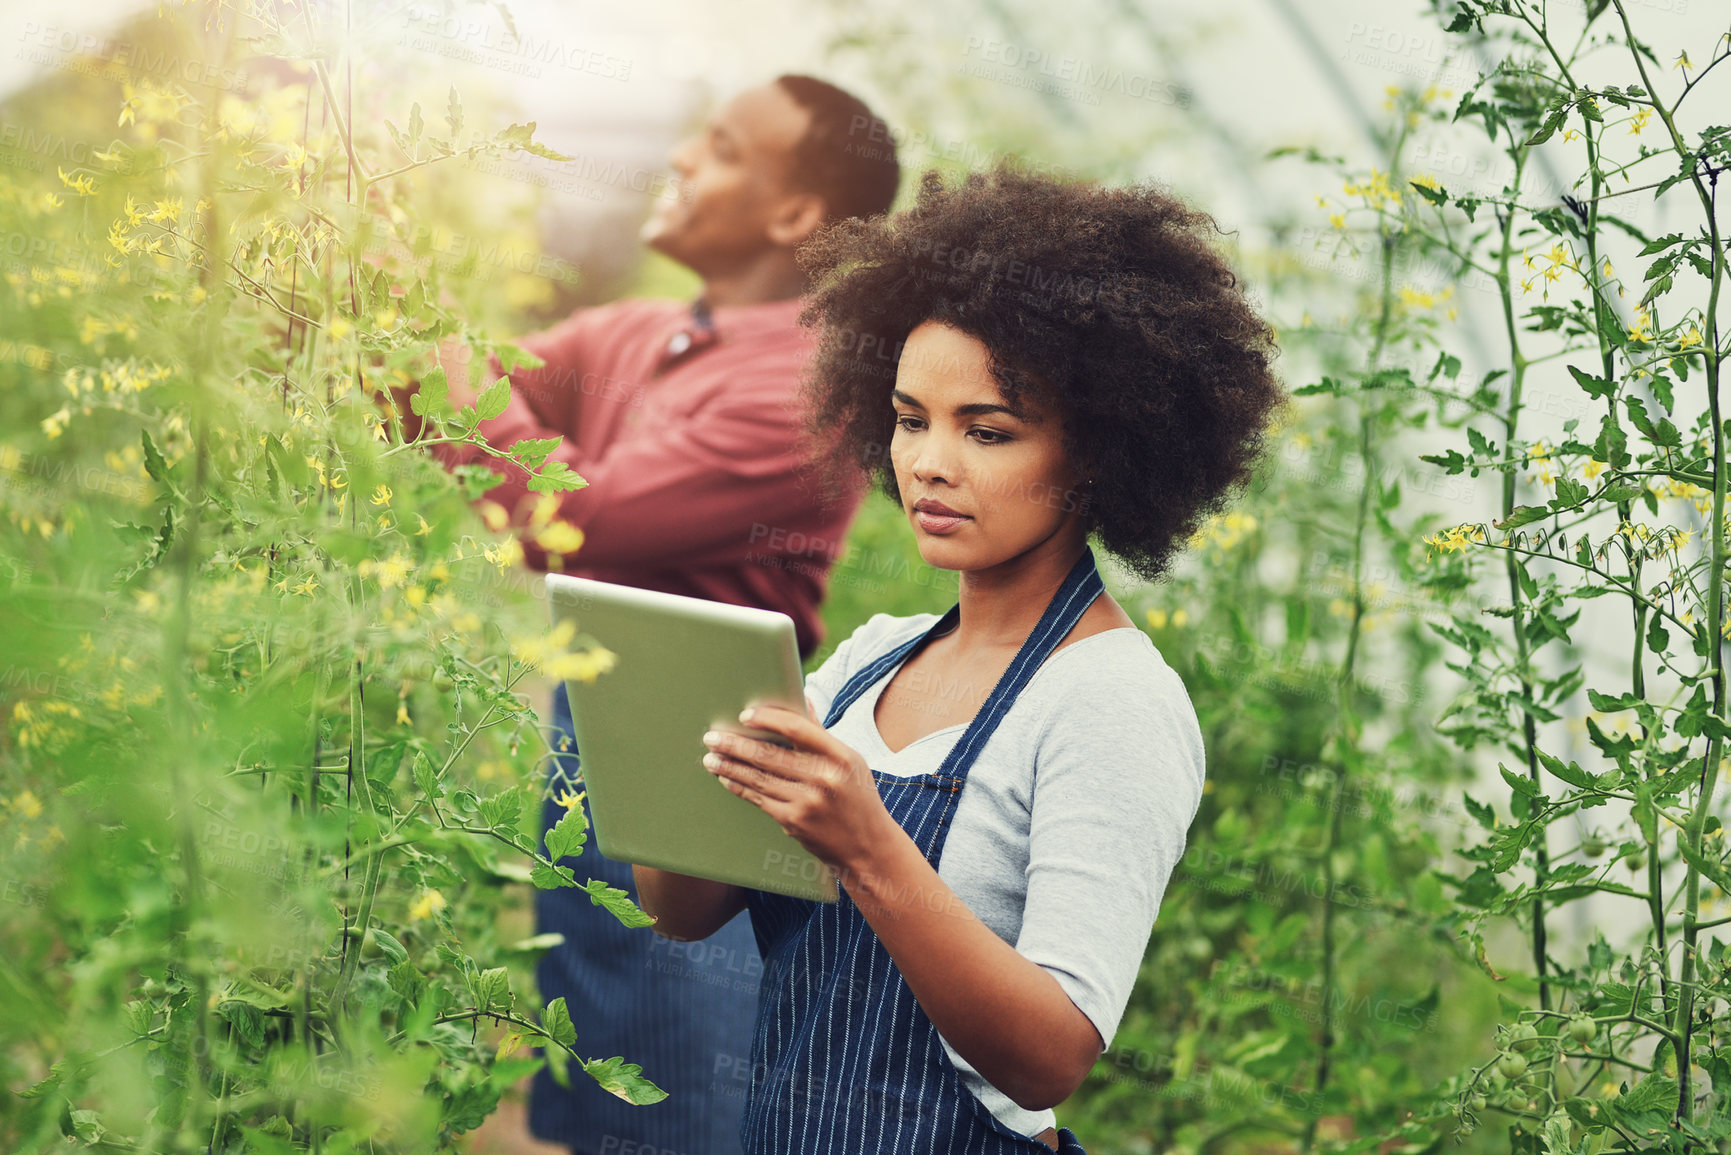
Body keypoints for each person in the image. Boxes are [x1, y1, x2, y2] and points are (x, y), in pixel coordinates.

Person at [633, 165, 1285, 1153]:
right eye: (908, 419)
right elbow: (683, 912)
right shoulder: (871, 659)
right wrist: (691, 767)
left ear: (1100, 453)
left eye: (988, 431)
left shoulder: (1112, 702)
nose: (931, 462)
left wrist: (865, 844)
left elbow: (1052, 1055)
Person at [392, 76, 900, 1155]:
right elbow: (503, 391)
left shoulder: (810, 385)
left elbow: (582, 519)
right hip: (595, 725)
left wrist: (417, 337)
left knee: (674, 1096)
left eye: (718, 149)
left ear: (796, 212)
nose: (678, 159)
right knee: (593, 1057)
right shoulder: (652, 332)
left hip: (701, 756)